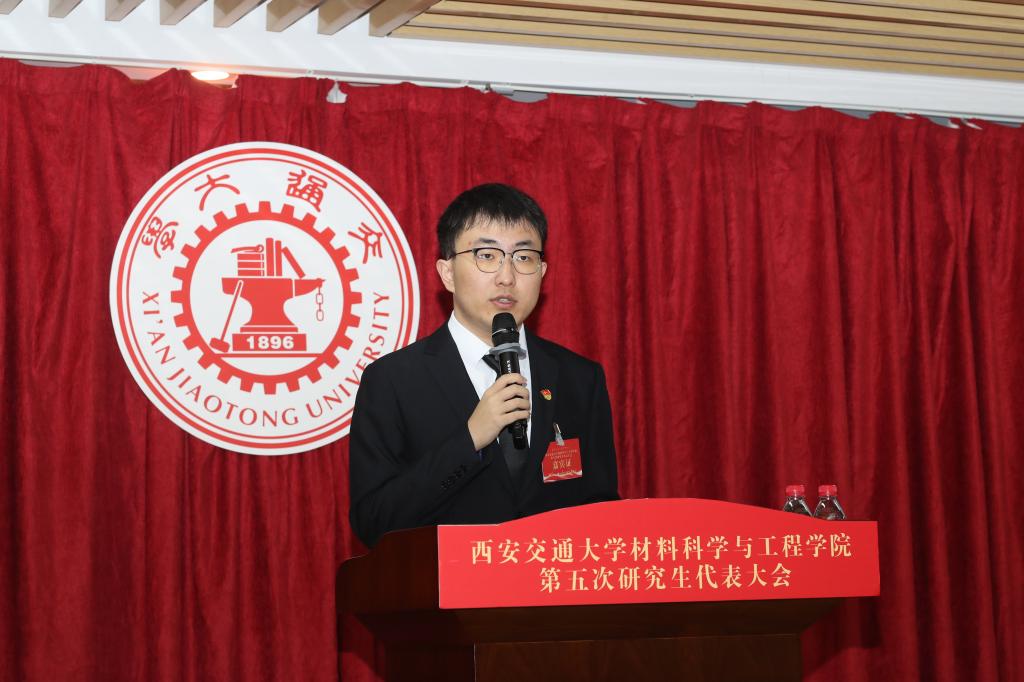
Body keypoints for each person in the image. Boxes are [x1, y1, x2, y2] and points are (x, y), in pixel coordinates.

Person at [348, 183, 618, 547]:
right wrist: (471, 439)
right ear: (447, 273)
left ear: (542, 271)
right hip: (443, 583)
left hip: (550, 581)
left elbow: (601, 510)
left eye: (524, 257)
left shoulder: (579, 378)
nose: (507, 276)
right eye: (487, 256)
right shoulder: (393, 381)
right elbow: (374, 520)